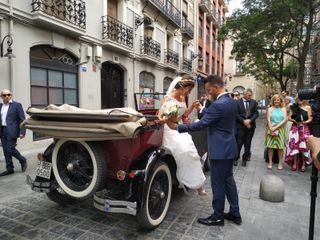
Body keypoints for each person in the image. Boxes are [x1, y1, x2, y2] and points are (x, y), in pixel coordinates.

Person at [166, 75, 241, 227]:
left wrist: (177, 127)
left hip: (219, 150)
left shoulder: (218, 104)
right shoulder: (232, 102)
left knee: (218, 184)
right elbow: (216, 117)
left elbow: (201, 124)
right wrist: (202, 109)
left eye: (208, 90)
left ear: (215, 87)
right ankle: (235, 212)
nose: (207, 92)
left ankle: (218, 217)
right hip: (229, 148)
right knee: (229, 181)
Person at [157, 75, 206, 195]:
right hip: (169, 129)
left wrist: (192, 107)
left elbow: (183, 115)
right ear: (183, 86)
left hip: (179, 128)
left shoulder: (182, 97)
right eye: (189, 90)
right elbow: (159, 116)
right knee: (184, 151)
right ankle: (188, 180)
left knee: (192, 152)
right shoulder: (168, 98)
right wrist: (166, 118)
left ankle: (198, 184)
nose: (189, 93)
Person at [0, 89, 27, 176]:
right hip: (2, 130)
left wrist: (22, 132)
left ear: (11, 95)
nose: (7, 96)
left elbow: (22, 119)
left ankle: (22, 160)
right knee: (5, 150)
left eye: (8, 94)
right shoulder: (0, 106)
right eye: (4, 95)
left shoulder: (17, 105)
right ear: (1, 97)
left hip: (12, 131)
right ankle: (9, 168)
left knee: (10, 149)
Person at [285, 97, 313, 171]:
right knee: (294, 146)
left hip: (304, 128)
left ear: (304, 99)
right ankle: (294, 163)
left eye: (301, 99)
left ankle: (304, 164)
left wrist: (305, 122)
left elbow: (310, 118)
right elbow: (289, 117)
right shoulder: (293, 107)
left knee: (304, 146)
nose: (299, 100)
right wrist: (295, 120)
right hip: (295, 128)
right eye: (298, 99)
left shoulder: (308, 107)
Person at [235, 88, 259, 167]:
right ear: (244, 95)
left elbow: (256, 114)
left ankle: (245, 159)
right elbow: (236, 114)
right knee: (239, 143)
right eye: (248, 95)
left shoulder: (254, 102)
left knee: (248, 143)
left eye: (251, 95)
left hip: (250, 127)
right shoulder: (237, 103)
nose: (250, 97)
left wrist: (250, 121)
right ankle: (236, 158)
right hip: (240, 126)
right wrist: (244, 121)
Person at [264, 94, 287, 170]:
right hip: (271, 128)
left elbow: (284, 120)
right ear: (273, 101)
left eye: (278, 100)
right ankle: (270, 162)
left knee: (280, 147)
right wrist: (271, 128)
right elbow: (268, 119)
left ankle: (280, 163)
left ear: (280, 101)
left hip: (280, 129)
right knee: (270, 146)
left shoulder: (283, 109)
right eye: (275, 100)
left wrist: (275, 127)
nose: (276, 101)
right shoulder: (270, 109)